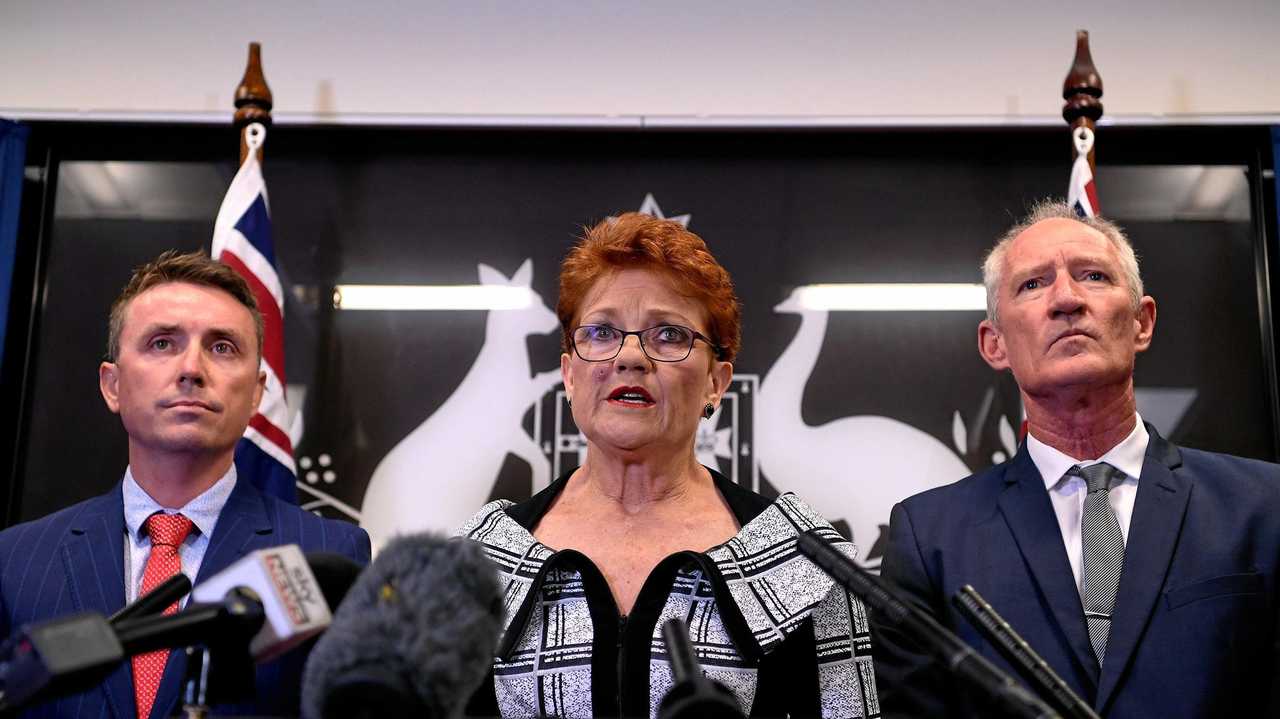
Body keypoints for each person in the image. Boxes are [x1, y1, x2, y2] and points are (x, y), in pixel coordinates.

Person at [459, 213, 880, 718]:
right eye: (600, 332)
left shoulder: (805, 559)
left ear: (716, 383)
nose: (630, 357)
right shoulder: (481, 557)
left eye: (668, 335)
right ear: (569, 374)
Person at [872, 201, 1280, 718]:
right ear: (994, 344)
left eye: (1092, 276)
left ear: (1142, 322)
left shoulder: (1265, 506)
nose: (1067, 299)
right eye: (1033, 285)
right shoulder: (929, 536)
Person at [0, 250, 371, 719]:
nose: (192, 369)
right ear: (112, 385)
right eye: (161, 344)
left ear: (257, 392)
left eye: (222, 347)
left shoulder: (327, 559)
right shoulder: (14, 562)